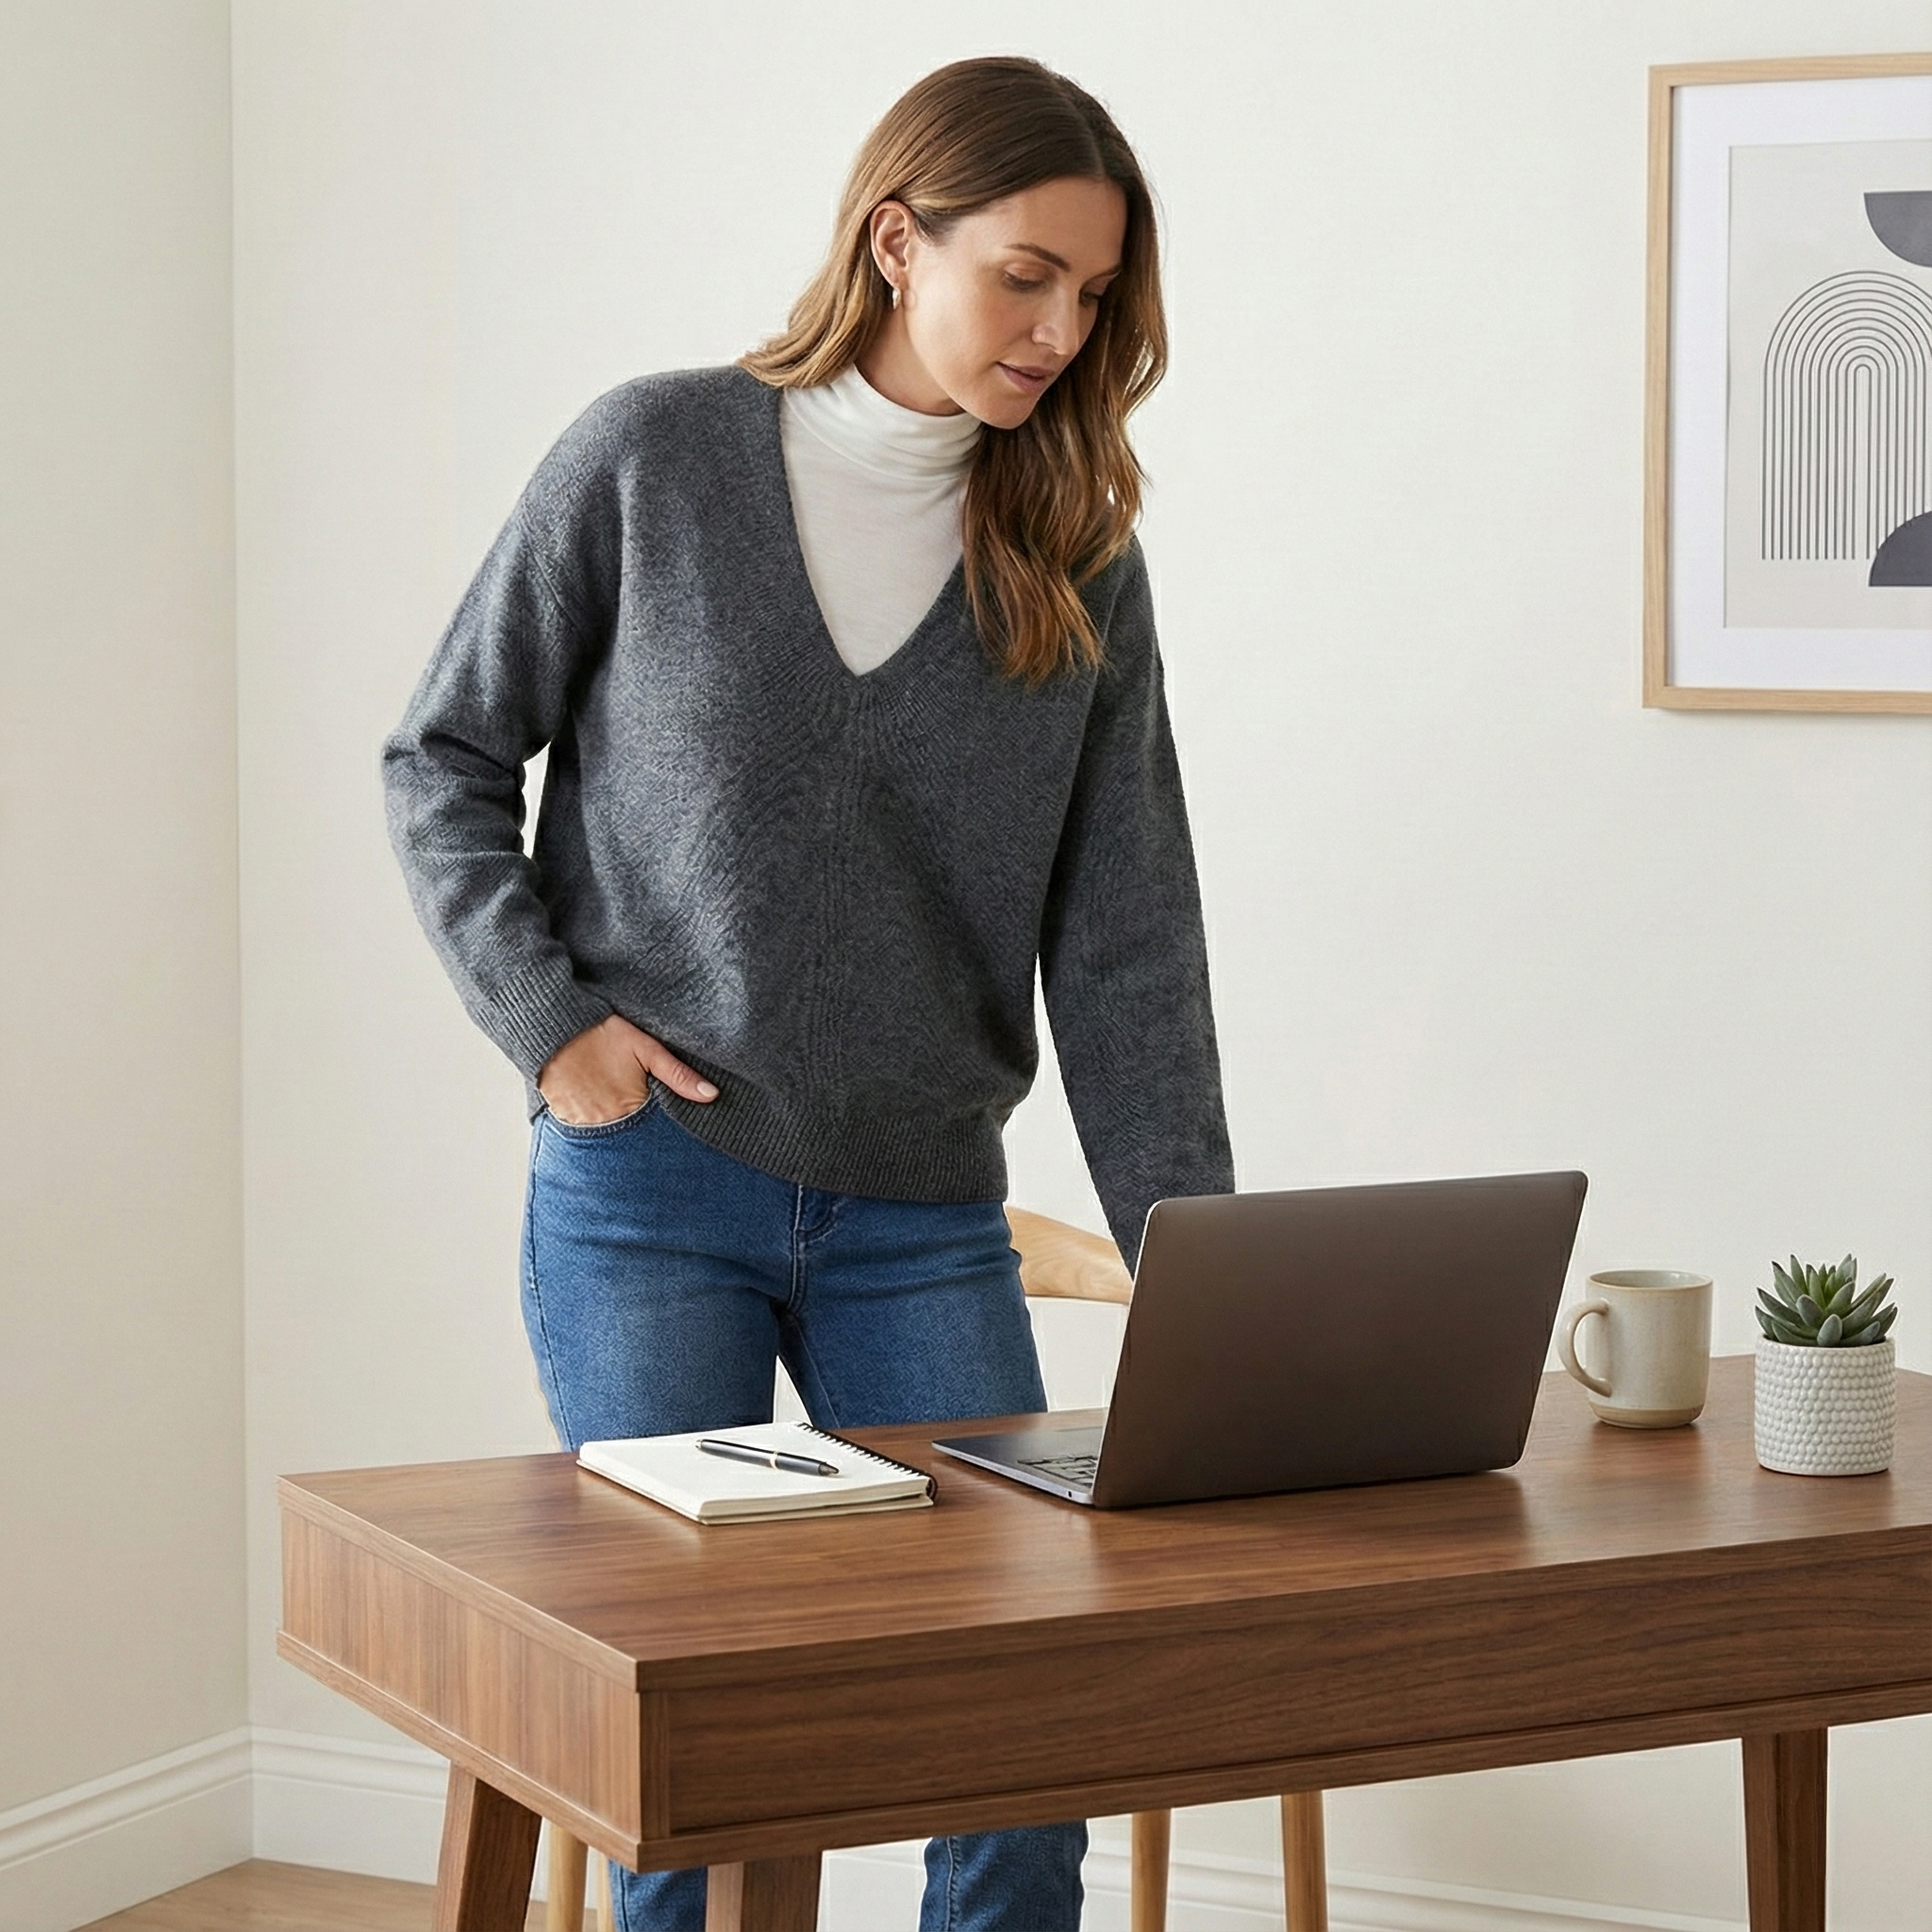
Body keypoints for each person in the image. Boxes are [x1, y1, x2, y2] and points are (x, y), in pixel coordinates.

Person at [382, 54, 1233, 1932]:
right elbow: (442, 751)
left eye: (1092, 297)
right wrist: (551, 1024)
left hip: (924, 1219)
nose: (1058, 329)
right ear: (892, 238)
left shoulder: (1079, 551)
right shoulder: (648, 457)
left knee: (1019, 1747)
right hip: (648, 1204)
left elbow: (1126, 938)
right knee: (684, 1755)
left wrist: (1200, 1261)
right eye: (1024, 274)